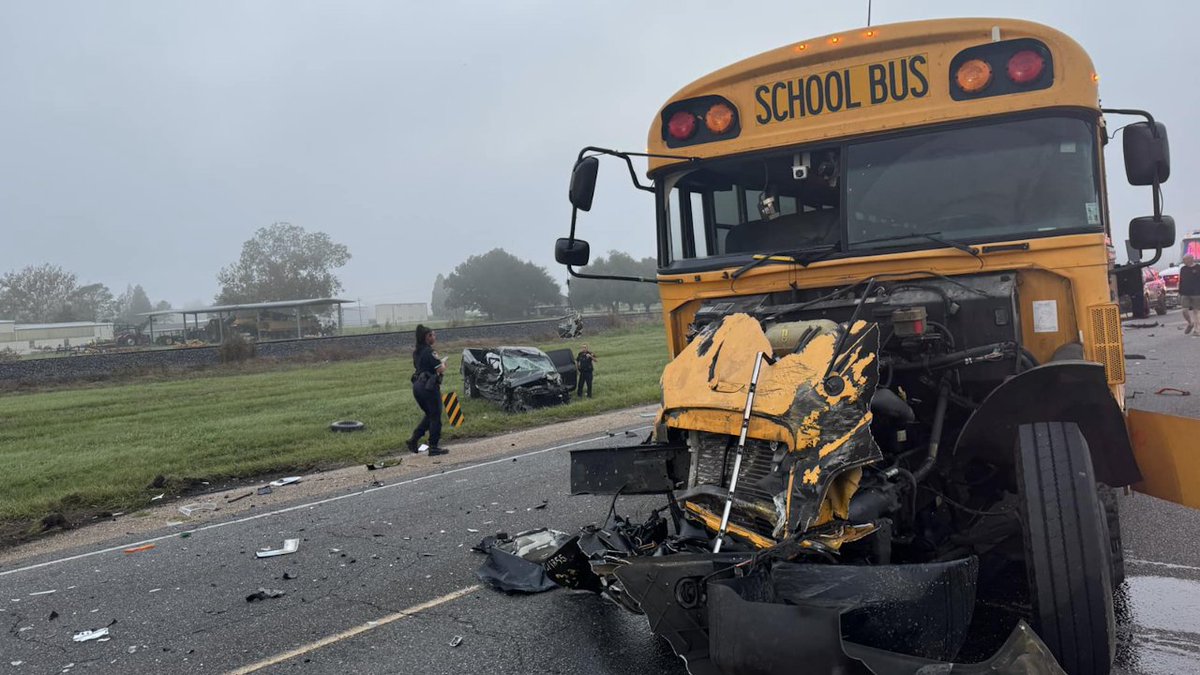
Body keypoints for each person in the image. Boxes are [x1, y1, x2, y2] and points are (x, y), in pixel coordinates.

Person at [408, 325, 449, 455]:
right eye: (433, 335)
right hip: (429, 387)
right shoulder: (430, 351)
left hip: (417, 386)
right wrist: (443, 363)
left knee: (430, 415)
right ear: (427, 337)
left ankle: (414, 439)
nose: (435, 337)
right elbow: (439, 369)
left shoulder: (416, 352)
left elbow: (419, 366)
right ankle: (433, 447)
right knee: (436, 416)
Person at [1181, 255, 1200, 335]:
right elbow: (1181, 281)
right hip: (1185, 293)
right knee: (1184, 310)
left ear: (1191, 259)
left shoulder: (1198, 267)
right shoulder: (1183, 269)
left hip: (1196, 293)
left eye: (1185, 260)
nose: (1184, 261)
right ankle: (1190, 323)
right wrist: (1179, 292)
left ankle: (1197, 330)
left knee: (1196, 311)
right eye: (1183, 260)